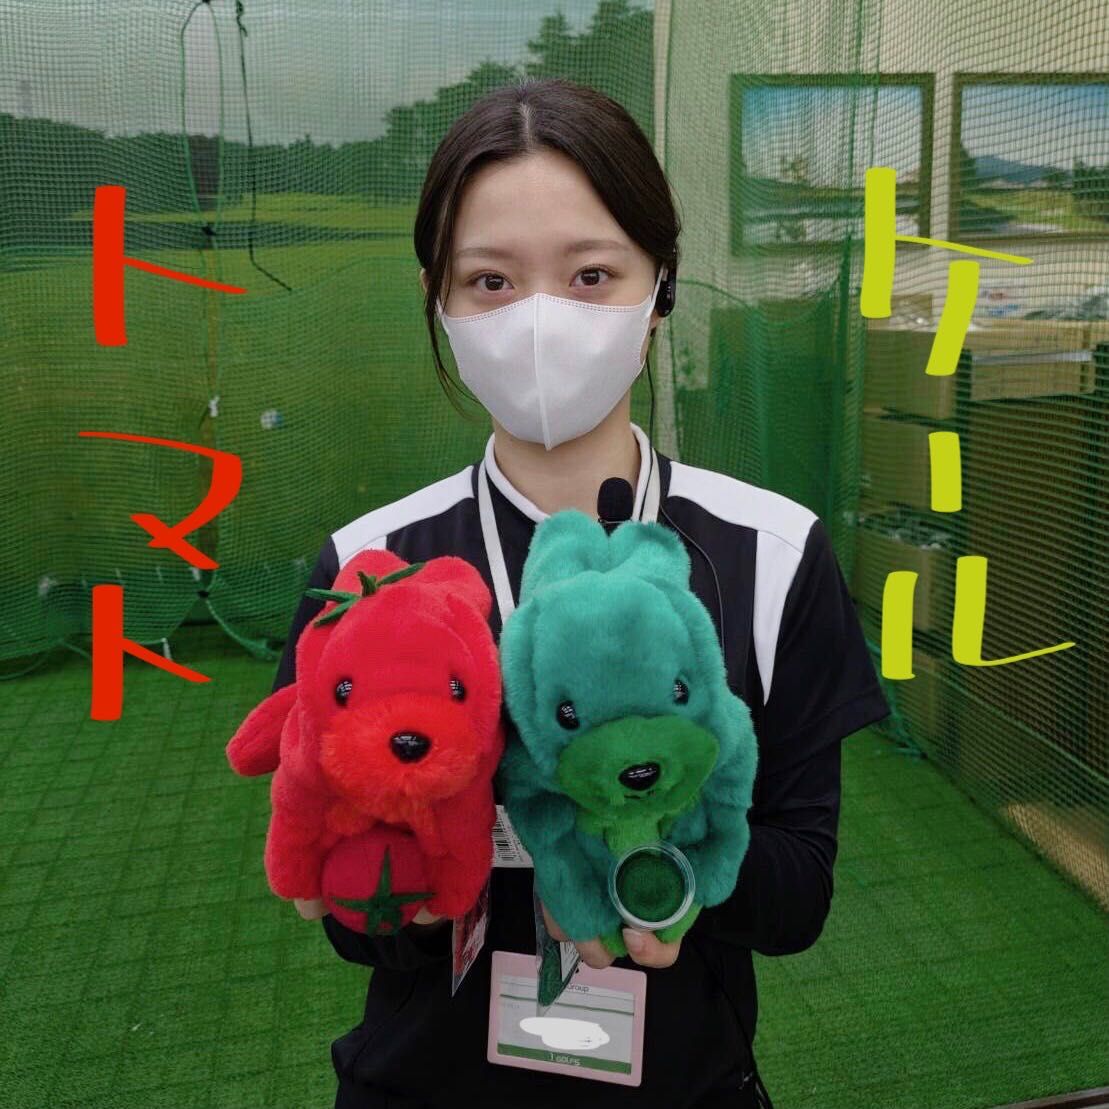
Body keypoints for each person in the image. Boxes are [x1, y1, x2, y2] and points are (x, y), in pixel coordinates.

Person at [273, 77, 891, 1109]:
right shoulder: (364, 570)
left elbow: (798, 897)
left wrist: (658, 851)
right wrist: (400, 890)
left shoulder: (773, 551)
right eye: (489, 280)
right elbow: (350, 927)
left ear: (660, 289)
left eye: (591, 274)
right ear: (437, 299)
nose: (539, 321)